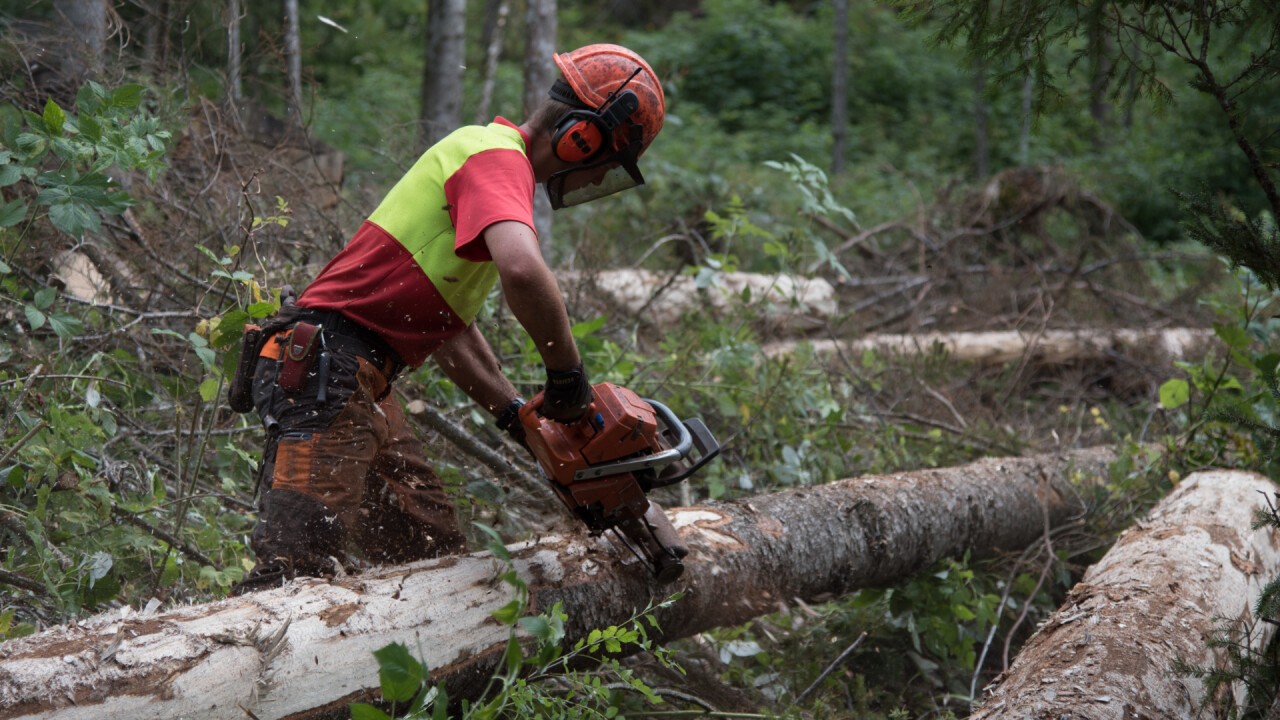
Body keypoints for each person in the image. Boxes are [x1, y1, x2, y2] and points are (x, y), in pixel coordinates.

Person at [230, 43, 665, 594]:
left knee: (429, 556)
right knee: (293, 577)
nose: (593, 182)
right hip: (328, 366)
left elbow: (449, 329)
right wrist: (568, 378)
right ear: (582, 139)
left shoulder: (492, 167)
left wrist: (519, 417)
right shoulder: (495, 157)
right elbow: (524, 272)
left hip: (360, 379)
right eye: (603, 167)